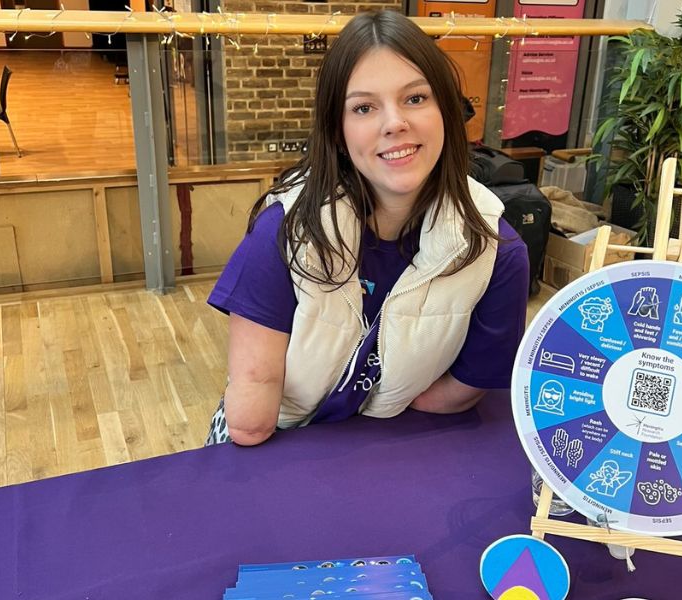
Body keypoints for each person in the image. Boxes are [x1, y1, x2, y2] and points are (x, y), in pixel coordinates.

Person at [205, 10, 529, 446]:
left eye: (415, 98)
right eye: (363, 107)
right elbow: (249, 421)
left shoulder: (498, 250)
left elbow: (462, 390)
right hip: (277, 447)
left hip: (397, 449)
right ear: (337, 132)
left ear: (448, 113)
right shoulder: (285, 230)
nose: (394, 123)